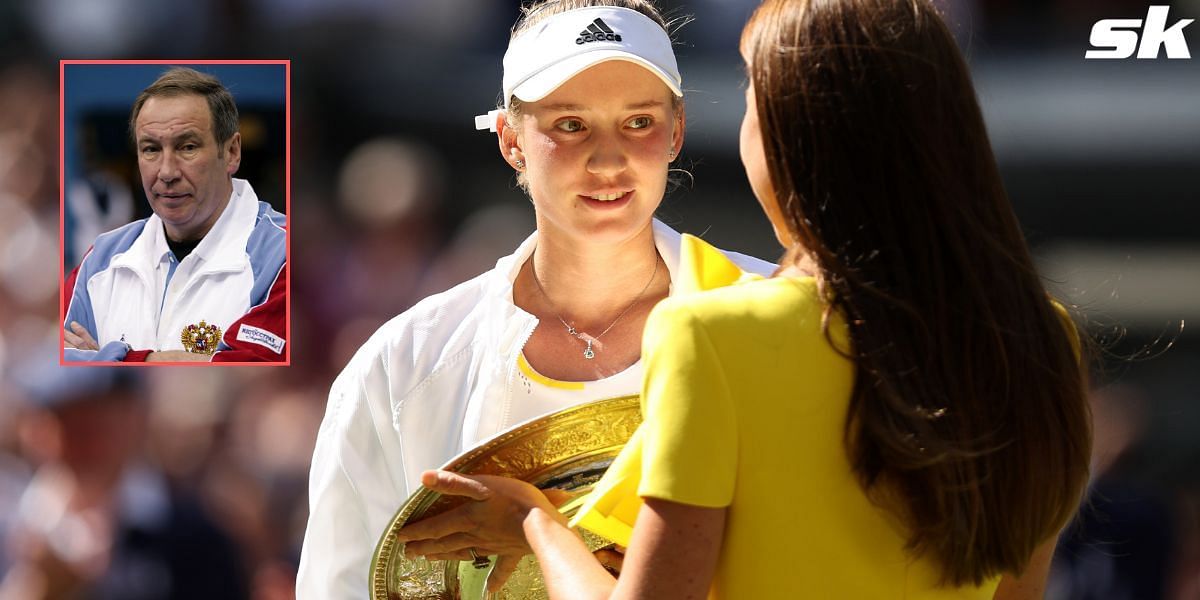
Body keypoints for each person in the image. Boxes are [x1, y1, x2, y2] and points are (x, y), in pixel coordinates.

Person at [397, 0, 1093, 598]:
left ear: (796, 135)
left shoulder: (712, 334)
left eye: (753, 101)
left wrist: (531, 524)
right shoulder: (1039, 334)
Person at [296, 1, 775, 597]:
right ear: (510, 139)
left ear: (676, 132)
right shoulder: (402, 366)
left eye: (639, 122)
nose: (608, 159)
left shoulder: (780, 316)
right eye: (570, 124)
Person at [62, 66, 287, 363]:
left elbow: (252, 372)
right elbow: (57, 364)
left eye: (188, 147)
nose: (167, 172)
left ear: (231, 152)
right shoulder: (101, 259)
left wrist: (105, 360)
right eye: (151, 149)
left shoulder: (283, 253)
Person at [0, 361, 249, 599]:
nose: (86, 443)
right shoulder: (14, 526)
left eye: (96, 425)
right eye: (67, 423)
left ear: (135, 419)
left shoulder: (193, 535)